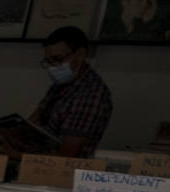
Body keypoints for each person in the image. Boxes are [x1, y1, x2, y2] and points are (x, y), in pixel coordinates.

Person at [31, 27, 113, 159]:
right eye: (48, 62)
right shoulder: (61, 86)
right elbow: (34, 122)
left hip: (60, 172)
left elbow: (67, 156)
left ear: (80, 55)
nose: (53, 68)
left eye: (58, 59)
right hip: (36, 161)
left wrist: (16, 154)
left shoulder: (91, 95)